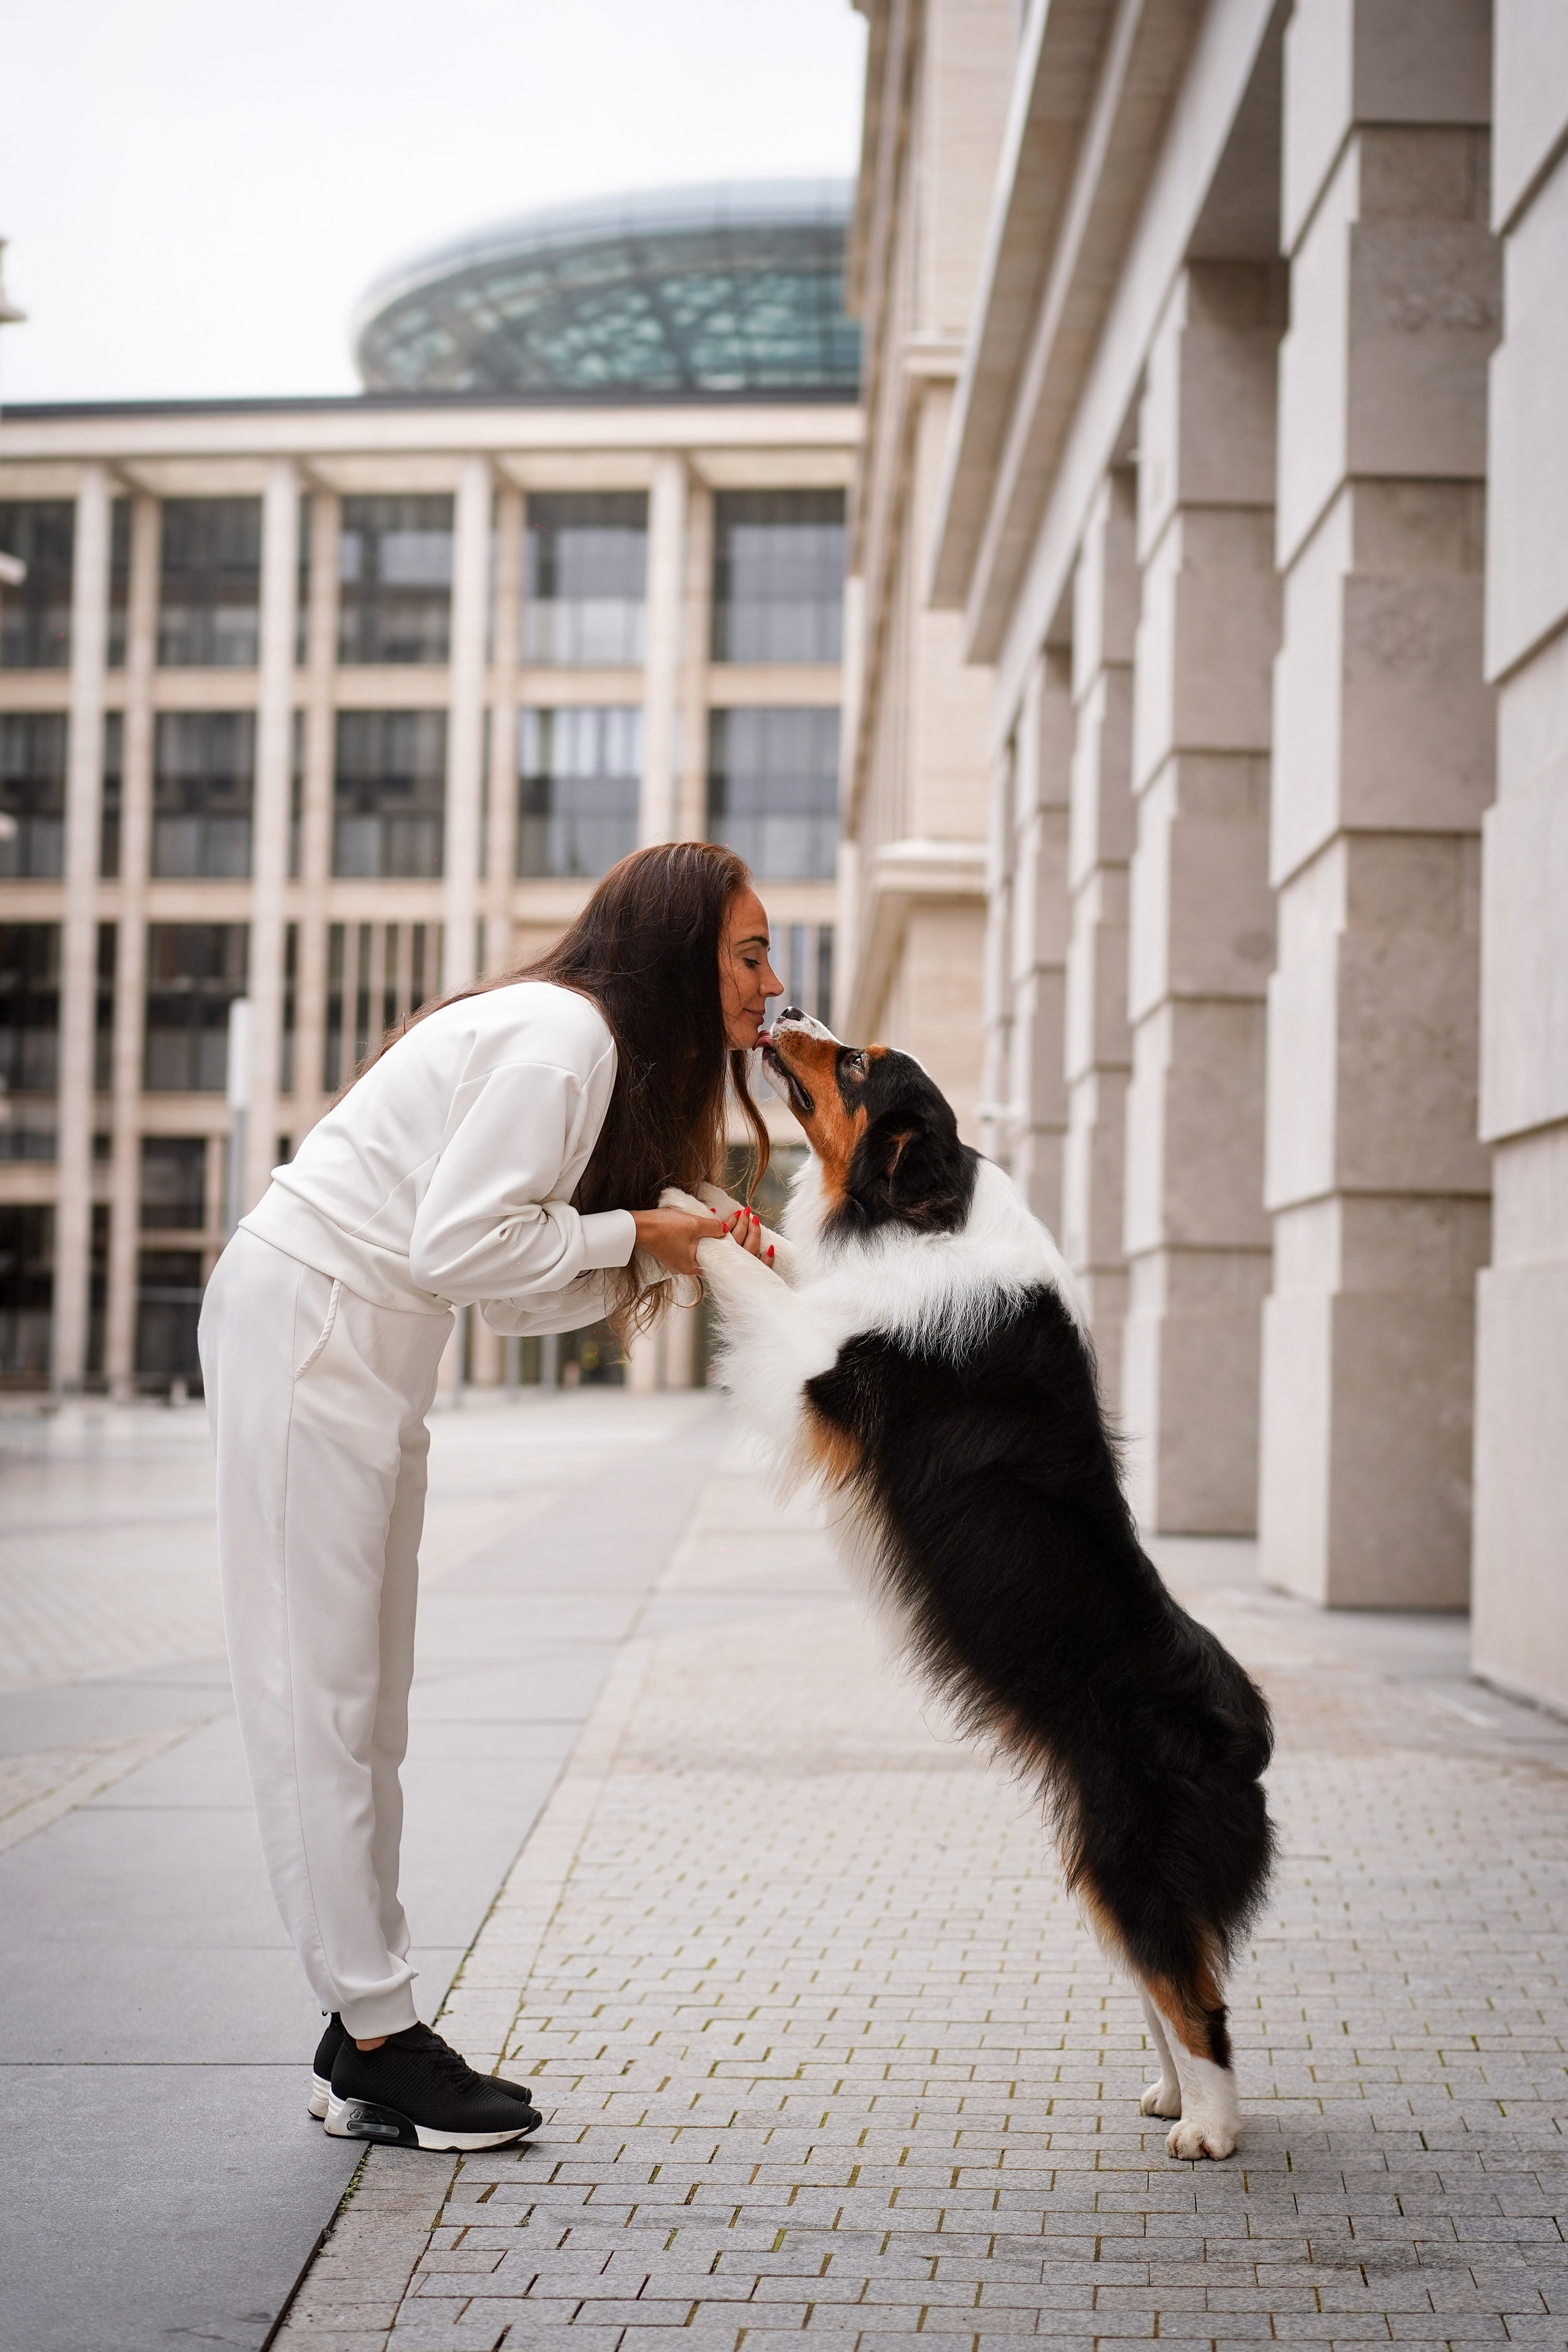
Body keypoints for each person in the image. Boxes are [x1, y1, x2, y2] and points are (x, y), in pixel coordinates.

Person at [198, 842, 781, 2152]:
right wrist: (638, 1237)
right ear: (682, 952)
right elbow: (456, 1246)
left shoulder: (576, 1050)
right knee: (323, 1699)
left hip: (353, 1340)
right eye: (747, 954)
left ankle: (361, 2041)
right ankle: (380, 2036)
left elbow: (499, 1282)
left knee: (365, 1698)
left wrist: (659, 1249)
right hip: (313, 1329)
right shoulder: (561, 1042)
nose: (769, 980)